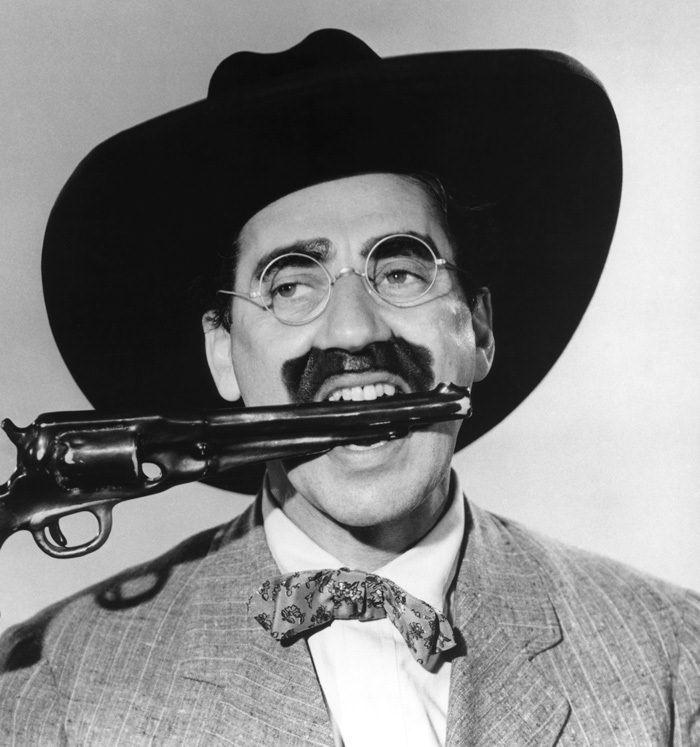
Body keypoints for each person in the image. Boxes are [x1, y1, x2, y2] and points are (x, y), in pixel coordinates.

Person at [0, 29, 698, 745]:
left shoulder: (676, 658)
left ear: (480, 330)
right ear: (223, 354)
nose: (355, 331)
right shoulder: (43, 694)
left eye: (400, 271)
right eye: (291, 285)